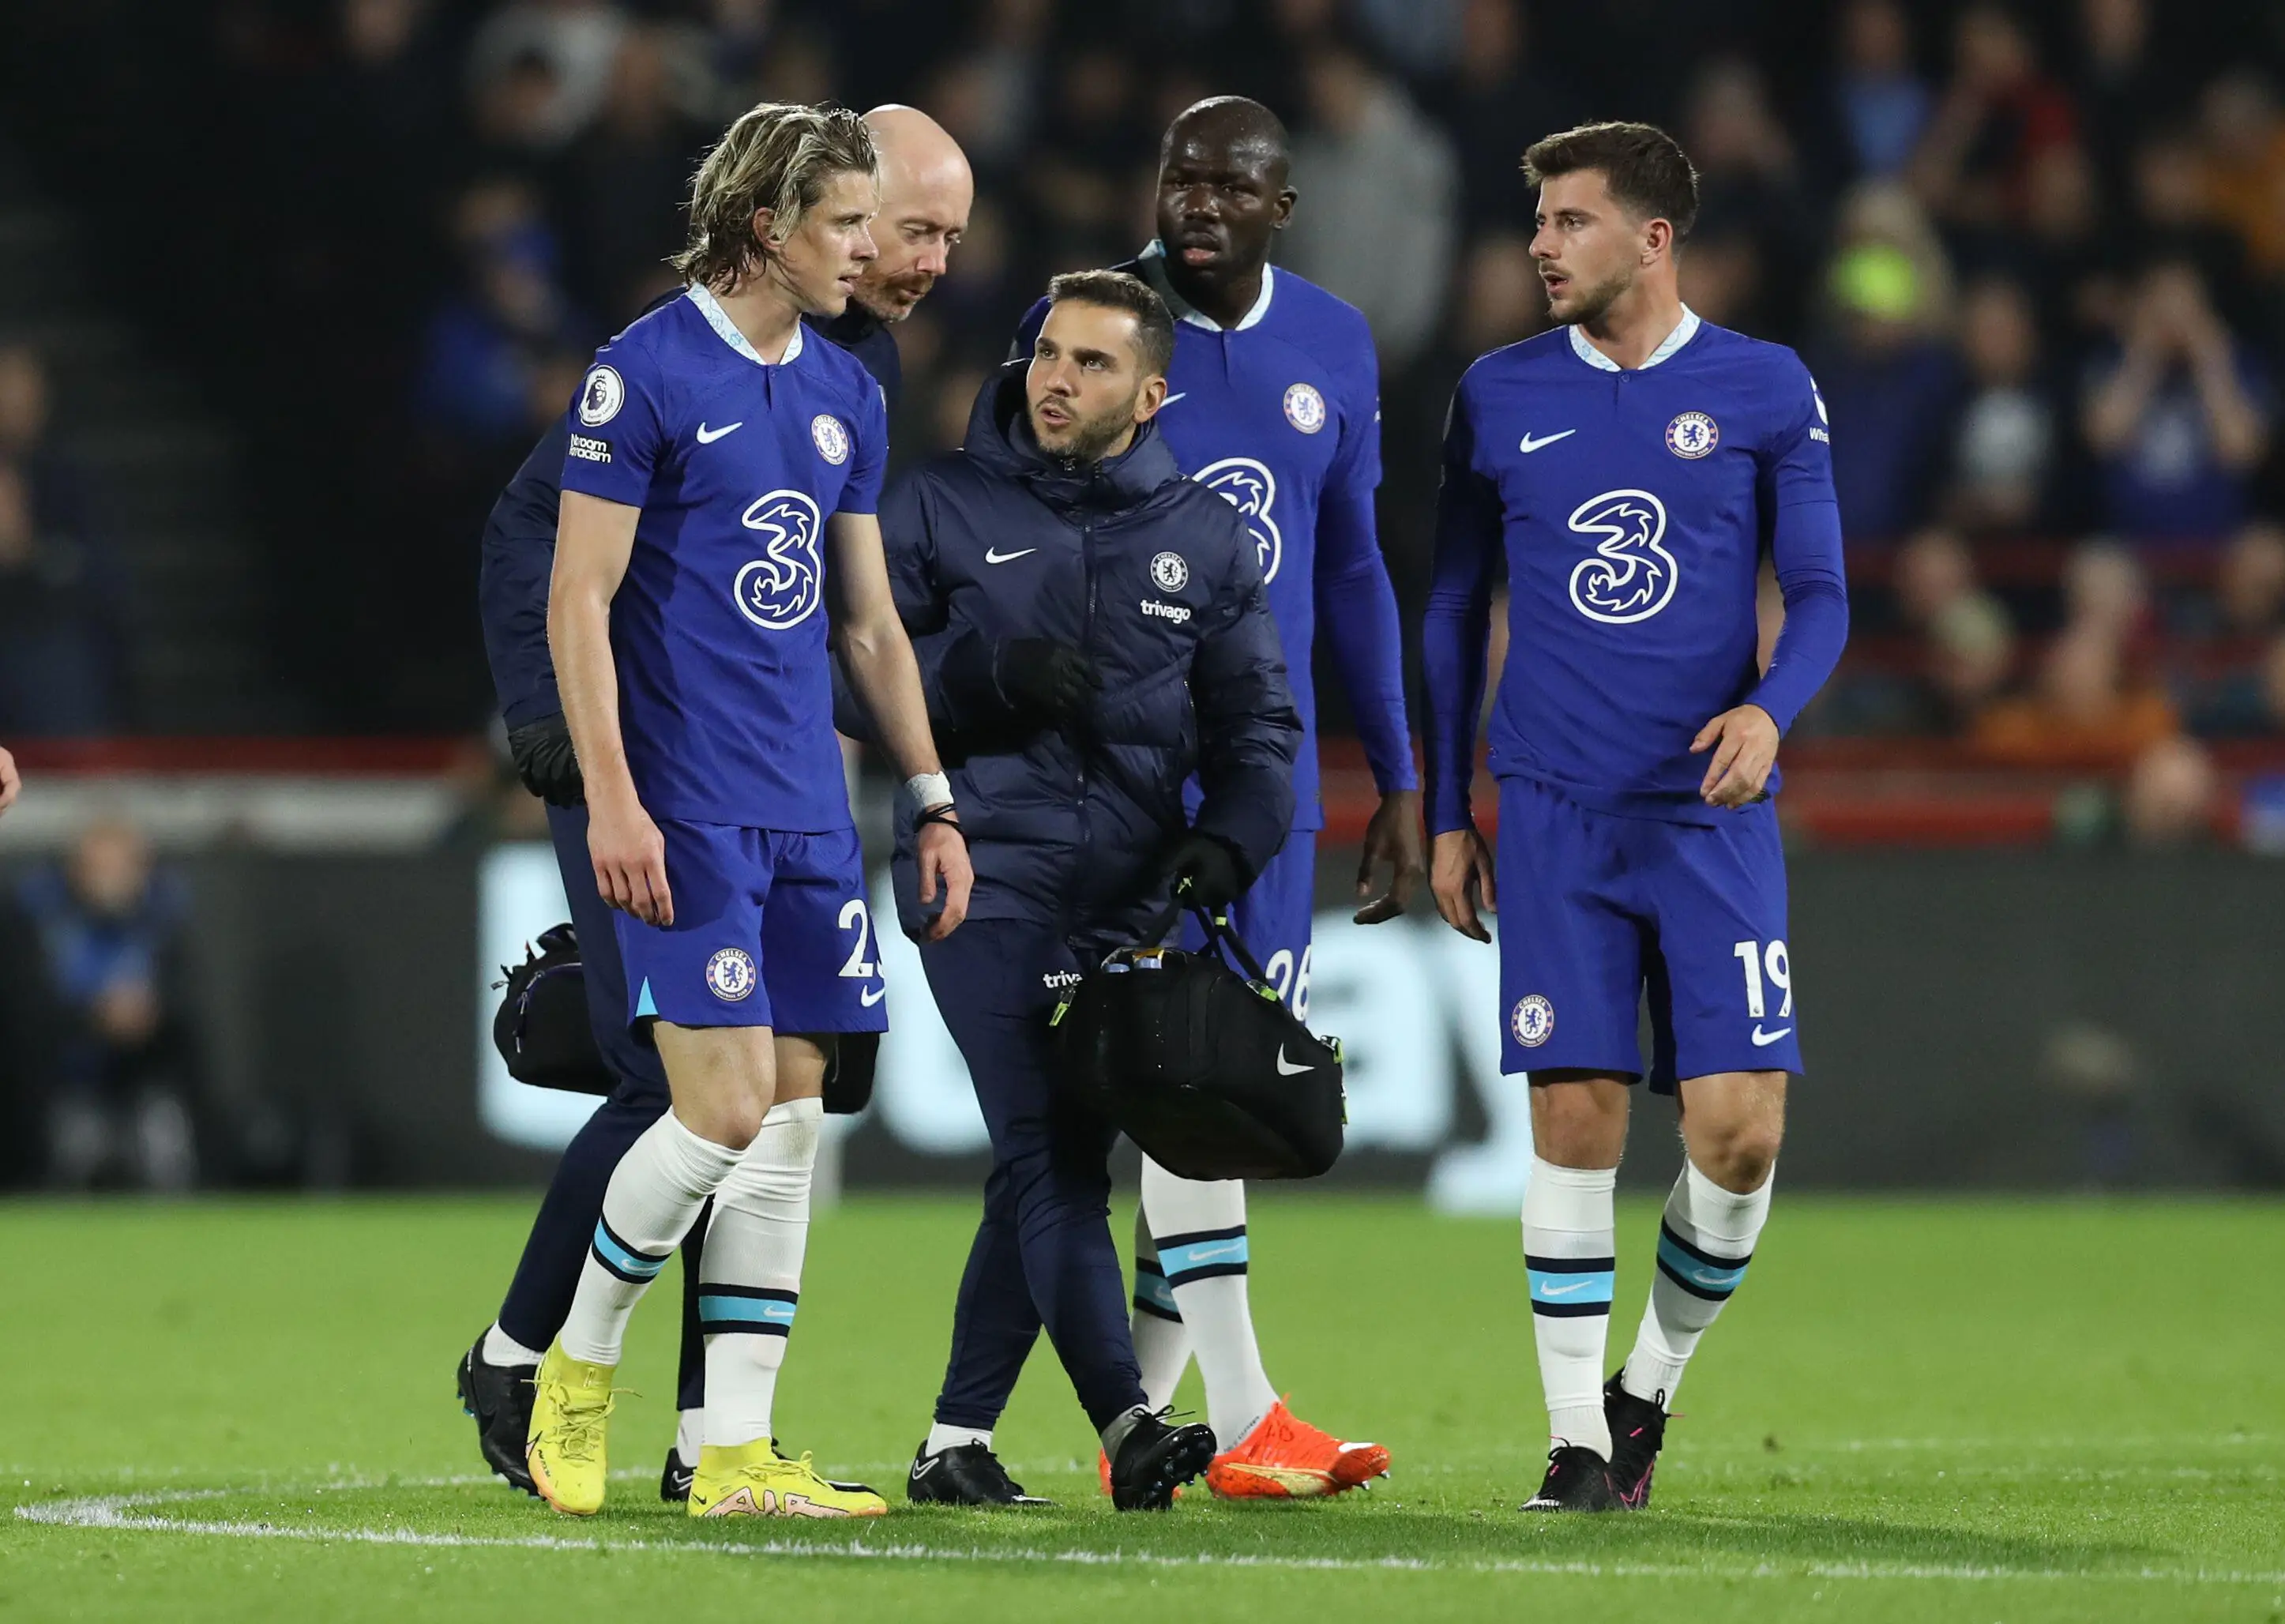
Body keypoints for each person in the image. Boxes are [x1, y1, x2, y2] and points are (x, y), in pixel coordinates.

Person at [458, 103, 972, 1506]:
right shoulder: (646, 372)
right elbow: (567, 582)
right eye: (872, 227)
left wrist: (931, 793)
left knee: (794, 1109)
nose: (893, 256)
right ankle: (559, 1369)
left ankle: (728, 1444)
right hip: (677, 788)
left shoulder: (850, 381)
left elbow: (862, 621)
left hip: (803, 796)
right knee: (709, 1103)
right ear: (773, 224)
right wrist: (600, 784)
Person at [1422, 122, 1848, 1513]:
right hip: (1554, 810)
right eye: (1538, 220)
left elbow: (1823, 593)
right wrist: (1446, 807)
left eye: (1571, 221)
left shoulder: (1764, 386)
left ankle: (1644, 1392)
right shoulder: (1496, 393)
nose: (1540, 244)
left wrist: (1771, 710)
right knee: (1576, 1118)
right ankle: (1574, 1445)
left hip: (1711, 815)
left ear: (1653, 239)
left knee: (1740, 1135)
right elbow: (1452, 607)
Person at [994, 96, 1409, 1500]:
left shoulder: (1335, 342)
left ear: (1282, 205)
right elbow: (1003, 535)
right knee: (1183, 1082)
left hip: (1259, 784)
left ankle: (1152, 1435)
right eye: (1181, 177)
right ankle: (1245, 1418)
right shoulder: (1089, 332)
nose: (1201, 203)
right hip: (1114, 784)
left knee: (1207, 1089)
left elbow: (1353, 569)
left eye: (1231, 184)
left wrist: (1400, 777)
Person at [874, 270, 1298, 1509]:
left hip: (1127, 900)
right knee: (1053, 1152)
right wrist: (981, 677)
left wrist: (1230, 843)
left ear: (1150, 394)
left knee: (1040, 1164)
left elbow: (1260, 730)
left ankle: (954, 1443)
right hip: (978, 870)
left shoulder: (1206, 536)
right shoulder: (942, 503)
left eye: (1092, 363)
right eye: (1049, 353)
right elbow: (845, 674)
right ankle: (1130, 1420)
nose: (1056, 379)